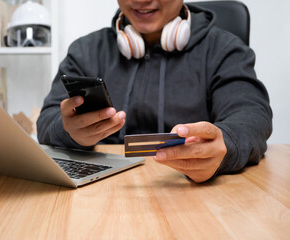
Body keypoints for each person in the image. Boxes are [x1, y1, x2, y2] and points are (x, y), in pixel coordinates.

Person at [37, 0, 272, 183]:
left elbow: (251, 115)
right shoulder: (86, 51)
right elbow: (48, 120)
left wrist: (225, 145)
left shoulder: (224, 49)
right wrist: (68, 131)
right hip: (105, 195)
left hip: (190, 193)